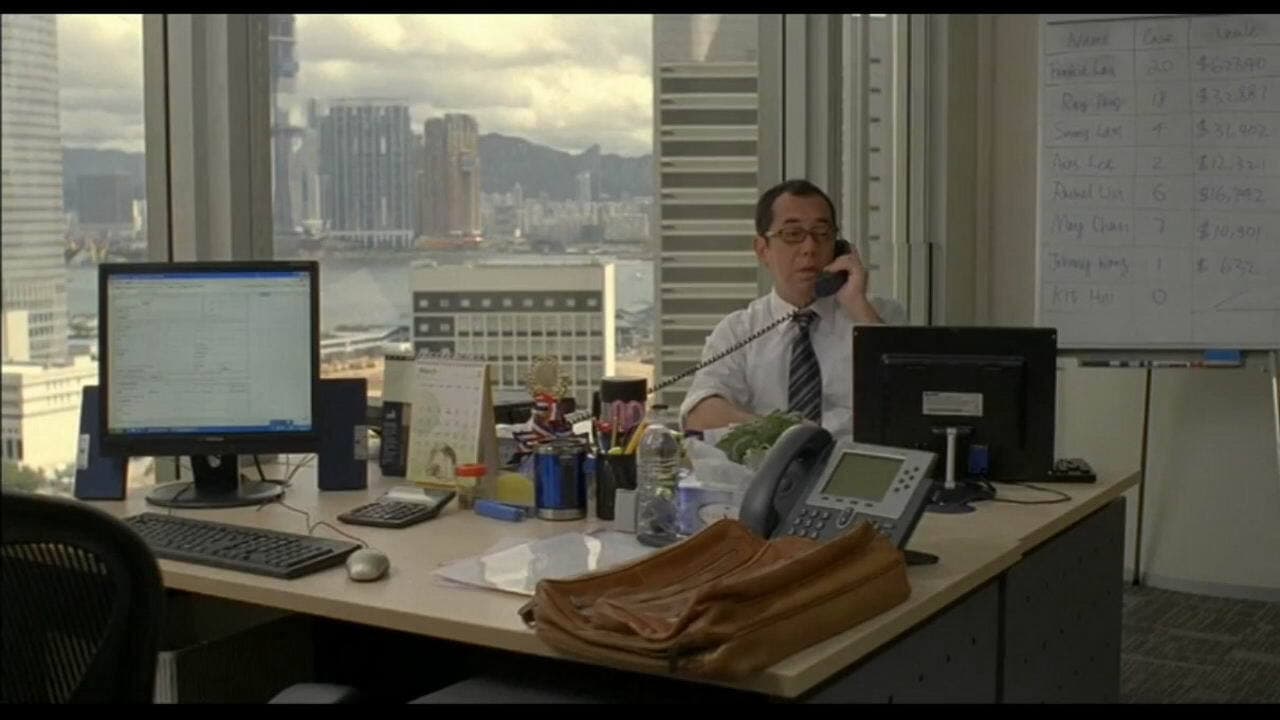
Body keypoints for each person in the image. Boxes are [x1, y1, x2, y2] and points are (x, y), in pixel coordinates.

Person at [680, 179, 884, 437]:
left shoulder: (875, 316)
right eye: (793, 234)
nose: (810, 248)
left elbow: (909, 398)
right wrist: (782, 433)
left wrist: (858, 306)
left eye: (822, 234)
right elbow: (701, 414)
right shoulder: (739, 330)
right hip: (770, 461)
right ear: (762, 249)